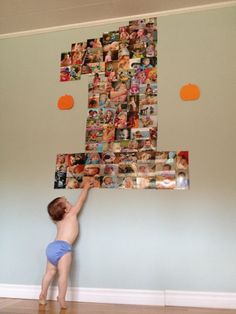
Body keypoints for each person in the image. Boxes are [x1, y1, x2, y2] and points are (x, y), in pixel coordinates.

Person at [39, 181, 93, 309]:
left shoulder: (58, 220)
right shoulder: (72, 214)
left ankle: (42, 294)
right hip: (64, 248)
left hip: (52, 246)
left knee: (49, 273)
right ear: (66, 209)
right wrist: (86, 188)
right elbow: (81, 201)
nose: (70, 203)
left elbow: (54, 213)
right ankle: (61, 298)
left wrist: (56, 208)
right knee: (63, 275)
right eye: (67, 201)